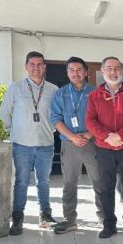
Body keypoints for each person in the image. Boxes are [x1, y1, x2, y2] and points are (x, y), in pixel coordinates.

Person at [0, 51, 59, 235]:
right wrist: (16, 130)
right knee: (22, 182)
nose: (36, 68)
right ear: (26, 66)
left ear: (44, 67)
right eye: (32, 64)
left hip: (45, 144)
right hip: (22, 145)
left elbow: (57, 116)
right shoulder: (15, 88)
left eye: (40, 64)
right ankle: (18, 218)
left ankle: (45, 215)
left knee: (44, 182)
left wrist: (51, 129)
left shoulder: (53, 90)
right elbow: (4, 114)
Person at [85, 56, 123, 239]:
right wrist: (108, 137)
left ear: (122, 71)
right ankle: (109, 224)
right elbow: (90, 121)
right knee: (106, 188)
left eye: (116, 68)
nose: (113, 72)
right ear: (102, 71)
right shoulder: (94, 96)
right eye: (109, 68)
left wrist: (120, 136)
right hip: (104, 148)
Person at [49, 56, 102, 234]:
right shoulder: (60, 93)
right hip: (69, 144)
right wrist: (73, 137)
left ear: (86, 72)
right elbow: (56, 119)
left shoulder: (96, 92)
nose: (75, 73)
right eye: (71, 70)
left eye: (79, 70)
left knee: (98, 181)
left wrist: (87, 134)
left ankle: (104, 217)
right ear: (67, 73)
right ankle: (69, 219)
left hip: (92, 142)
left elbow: (102, 118)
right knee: (69, 183)